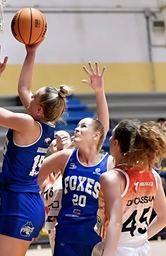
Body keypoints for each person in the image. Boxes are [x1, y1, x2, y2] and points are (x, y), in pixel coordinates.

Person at [0, 43, 72, 256]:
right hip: (28, 204)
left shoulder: (27, 123)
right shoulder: (46, 124)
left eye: (34, 96)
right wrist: (31, 53)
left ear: (38, 108)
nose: (28, 96)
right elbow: (24, 88)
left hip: (18, 205)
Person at [38, 62, 114, 256]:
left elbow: (102, 125)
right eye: (77, 126)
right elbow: (33, 177)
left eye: (83, 126)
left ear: (96, 135)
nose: (77, 129)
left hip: (95, 237)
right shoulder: (65, 157)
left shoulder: (108, 163)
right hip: (65, 235)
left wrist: (99, 92)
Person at [94, 119, 166, 256]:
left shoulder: (112, 178)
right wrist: (139, 239)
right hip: (142, 248)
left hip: (117, 249)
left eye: (111, 136)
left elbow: (115, 223)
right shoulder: (153, 175)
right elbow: (165, 218)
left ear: (115, 143)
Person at [40, 130, 74, 254]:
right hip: (53, 228)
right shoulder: (46, 172)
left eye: (64, 137)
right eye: (55, 137)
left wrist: (64, 150)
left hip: (72, 225)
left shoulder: (74, 165)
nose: (58, 139)